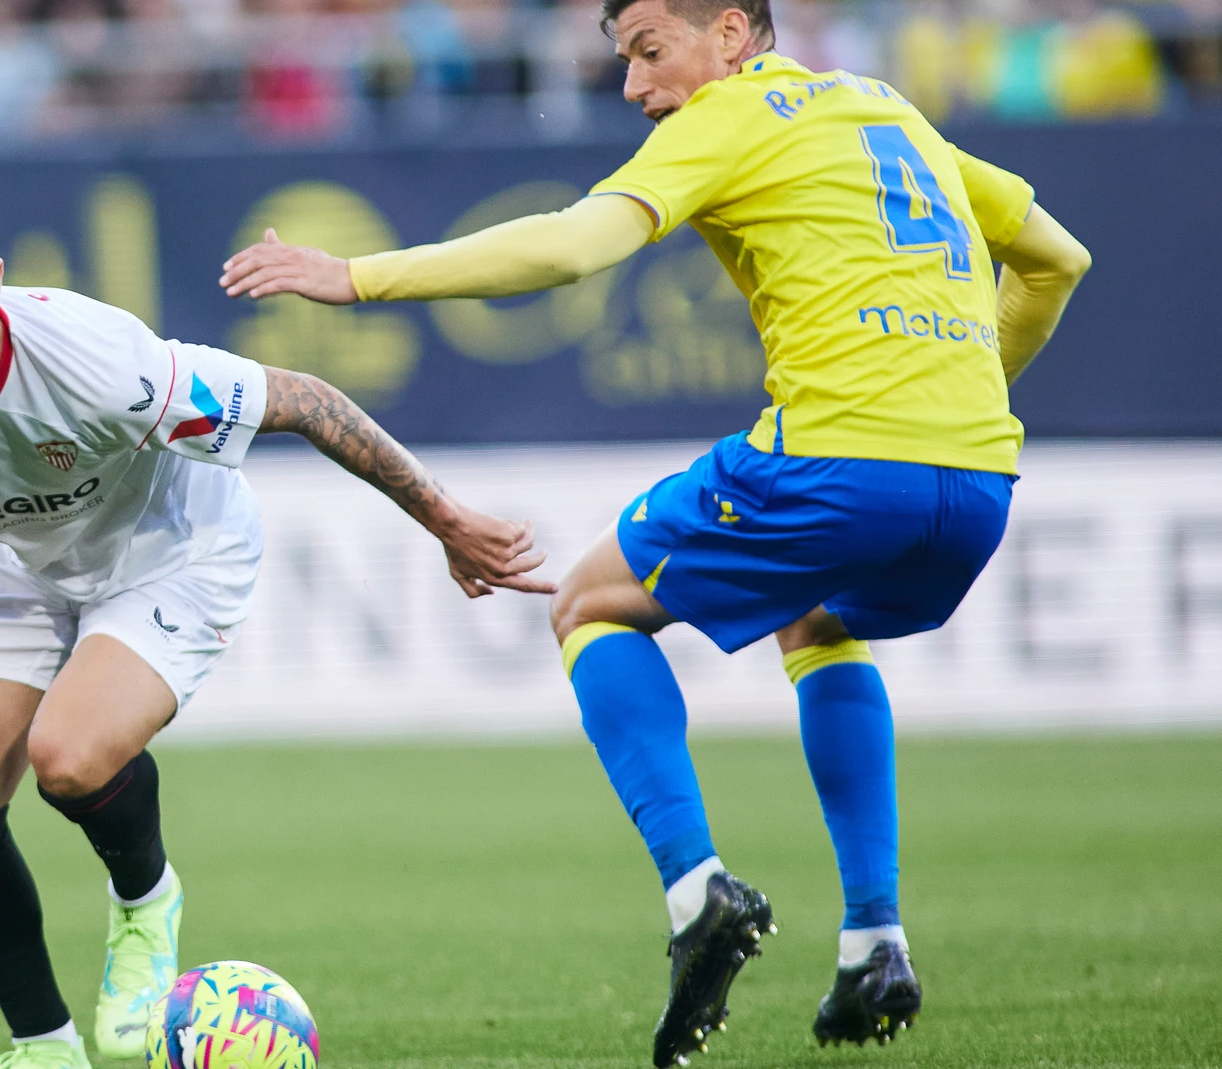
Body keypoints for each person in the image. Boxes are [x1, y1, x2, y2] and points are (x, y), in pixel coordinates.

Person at [218, 0, 1092, 1062]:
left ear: (731, 34)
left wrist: (355, 275)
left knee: (589, 603)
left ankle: (695, 894)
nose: (634, 86)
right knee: (814, 618)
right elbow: (1056, 258)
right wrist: (957, 399)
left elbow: (569, 249)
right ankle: (873, 939)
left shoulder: (730, 115)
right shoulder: (885, 108)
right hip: (976, 486)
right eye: (623, 59)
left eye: (648, 49)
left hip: (836, 459)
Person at [0, 172, 553, 1069]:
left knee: (69, 757)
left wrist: (447, 520)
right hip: (29, 559)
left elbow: (302, 398)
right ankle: (45, 1046)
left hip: (175, 546)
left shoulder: (97, 359)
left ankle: (145, 901)